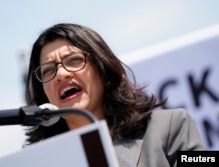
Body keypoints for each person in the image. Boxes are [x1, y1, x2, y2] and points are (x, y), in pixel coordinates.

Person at [25, 23, 206, 167]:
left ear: (103, 70)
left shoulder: (169, 127)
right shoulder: (42, 162)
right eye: (48, 71)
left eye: (74, 60)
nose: (61, 74)